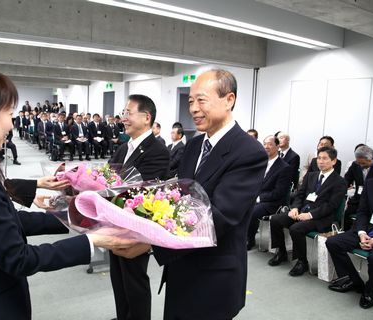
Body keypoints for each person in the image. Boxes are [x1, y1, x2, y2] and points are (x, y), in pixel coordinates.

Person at [0, 66, 135, 320]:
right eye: (9, 114)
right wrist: (94, 241)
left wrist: (73, 218)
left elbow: (3, 222)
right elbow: (18, 257)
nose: (12, 124)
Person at [114, 69, 267, 319]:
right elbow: (180, 197)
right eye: (190, 101)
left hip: (213, 276)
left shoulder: (248, 152)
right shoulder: (195, 145)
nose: (193, 109)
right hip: (181, 268)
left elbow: (218, 218)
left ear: (229, 100)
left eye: (201, 100)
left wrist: (150, 244)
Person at [108, 94, 170, 320]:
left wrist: (106, 191)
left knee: (134, 280)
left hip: (136, 227)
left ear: (146, 118)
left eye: (128, 113)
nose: (123, 118)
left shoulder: (157, 150)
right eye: (123, 113)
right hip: (114, 221)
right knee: (118, 277)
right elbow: (107, 179)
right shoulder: (124, 148)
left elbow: (139, 191)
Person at [326, 147, 373, 309]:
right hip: (367, 230)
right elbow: (362, 212)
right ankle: (354, 281)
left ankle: (369, 288)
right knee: (333, 242)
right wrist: (361, 233)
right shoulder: (372, 183)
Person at [269, 146, 347, 276]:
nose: (320, 161)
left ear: (334, 161)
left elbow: (331, 206)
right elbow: (300, 195)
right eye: (319, 158)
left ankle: (302, 262)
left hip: (321, 217)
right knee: (276, 219)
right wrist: (295, 208)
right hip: (302, 211)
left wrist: (310, 215)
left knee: (296, 228)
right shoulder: (311, 176)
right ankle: (281, 252)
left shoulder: (339, 181)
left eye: (325, 158)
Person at [247, 135, 291, 250]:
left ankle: (249, 240)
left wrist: (258, 198)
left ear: (277, 147)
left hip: (273, 203)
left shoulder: (284, 167)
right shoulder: (260, 163)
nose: (266, 147)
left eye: (270, 144)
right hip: (257, 198)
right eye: (264, 144)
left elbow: (279, 193)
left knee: (251, 211)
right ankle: (238, 237)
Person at [343, 145, 373, 230]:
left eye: (363, 163)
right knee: (347, 213)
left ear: (371, 159)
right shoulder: (355, 165)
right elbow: (347, 179)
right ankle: (346, 233)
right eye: (358, 163)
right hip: (358, 198)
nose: (360, 165)